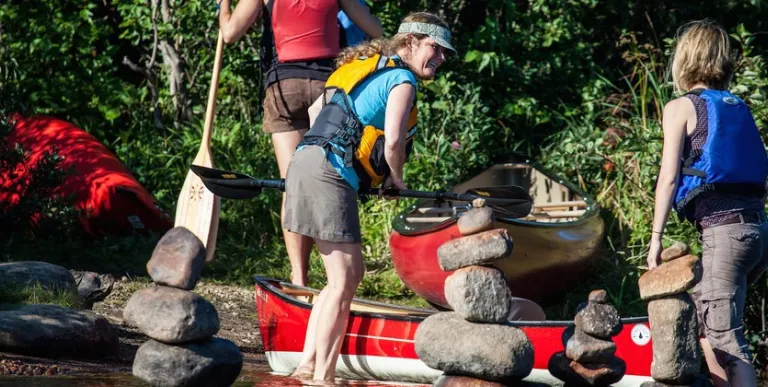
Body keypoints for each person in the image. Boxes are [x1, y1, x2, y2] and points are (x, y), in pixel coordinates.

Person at [282, 12, 455, 381]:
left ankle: (308, 366)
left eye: (444, 53)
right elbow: (393, 140)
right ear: (411, 43)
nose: (440, 58)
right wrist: (395, 179)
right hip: (329, 172)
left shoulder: (361, 68)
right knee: (345, 278)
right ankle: (323, 378)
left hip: (305, 161)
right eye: (434, 48)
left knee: (341, 277)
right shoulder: (403, 78)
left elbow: (317, 112)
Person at [218, 0, 383, 287]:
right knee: (332, 179)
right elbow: (376, 30)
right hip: (328, 85)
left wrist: (224, 6)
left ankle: (299, 275)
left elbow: (230, 33)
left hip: (285, 86)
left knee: (291, 183)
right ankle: (338, 271)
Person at [647, 19, 768, 387]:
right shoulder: (737, 106)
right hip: (757, 230)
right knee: (706, 324)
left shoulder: (682, 107)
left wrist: (655, 238)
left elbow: (668, 178)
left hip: (725, 232)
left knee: (727, 338)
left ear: (685, 58)